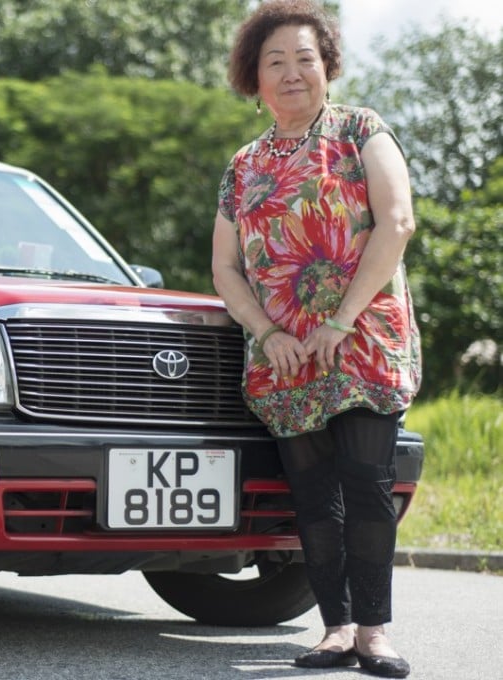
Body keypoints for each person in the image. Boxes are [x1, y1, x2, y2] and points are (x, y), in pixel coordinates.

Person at [211, 1, 421, 677]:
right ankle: (335, 629)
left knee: (366, 483)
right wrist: (267, 331)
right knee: (312, 497)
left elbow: (397, 222)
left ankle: (374, 631)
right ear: (255, 77)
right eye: (274, 61)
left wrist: (339, 319)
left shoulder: (361, 130)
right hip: (285, 357)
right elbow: (225, 267)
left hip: (361, 342)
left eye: (304, 58)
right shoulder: (243, 165)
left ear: (327, 66)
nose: (291, 72)